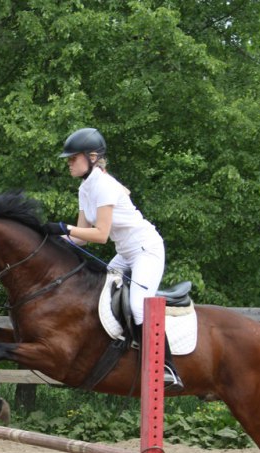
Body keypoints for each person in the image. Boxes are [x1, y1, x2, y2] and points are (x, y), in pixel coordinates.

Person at [44, 127, 183, 392]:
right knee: (99, 292)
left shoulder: (105, 185)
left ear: (92, 157)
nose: (69, 163)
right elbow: (81, 238)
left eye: (73, 158)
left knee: (139, 305)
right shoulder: (86, 188)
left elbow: (101, 234)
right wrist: (51, 239)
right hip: (126, 253)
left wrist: (64, 227)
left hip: (146, 250)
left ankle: (166, 369)